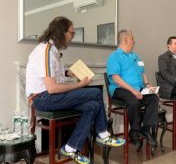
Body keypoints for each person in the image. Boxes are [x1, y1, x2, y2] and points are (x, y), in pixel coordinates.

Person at [25, 16, 125, 164]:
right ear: (62, 32)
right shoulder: (45, 51)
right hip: (41, 98)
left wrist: (68, 73)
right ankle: (103, 134)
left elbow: (53, 75)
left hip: (48, 96)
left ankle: (71, 147)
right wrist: (78, 85)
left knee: (94, 105)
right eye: (72, 33)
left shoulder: (52, 50)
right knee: (96, 92)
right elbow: (52, 88)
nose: (72, 36)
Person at [106, 30, 159, 146]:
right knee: (133, 101)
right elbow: (115, 78)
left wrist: (147, 84)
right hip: (120, 89)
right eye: (132, 38)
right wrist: (133, 90)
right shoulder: (114, 57)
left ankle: (144, 130)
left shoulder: (136, 56)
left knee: (153, 98)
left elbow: (143, 72)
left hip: (138, 88)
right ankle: (134, 130)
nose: (134, 41)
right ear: (125, 40)